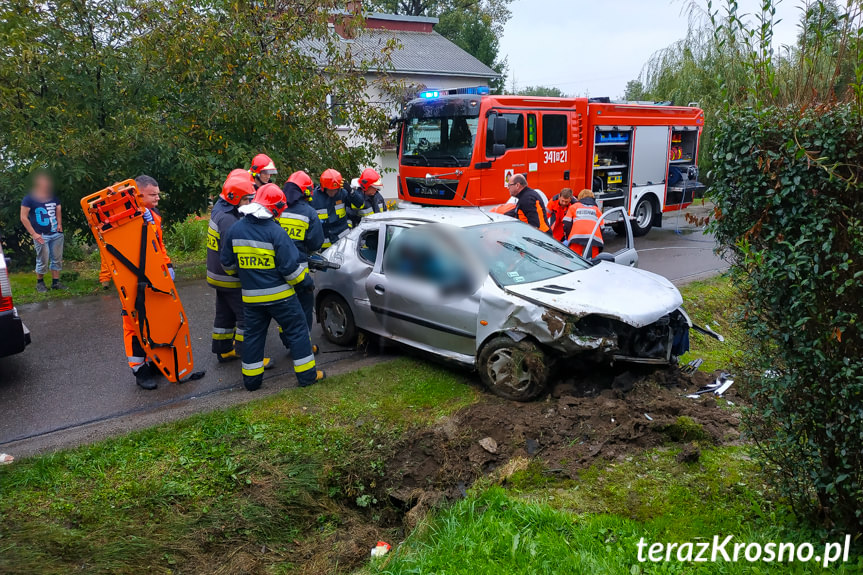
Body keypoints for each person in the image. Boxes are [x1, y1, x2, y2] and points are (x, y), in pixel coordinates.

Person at [220, 183, 326, 391]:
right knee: (297, 331)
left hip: (251, 299)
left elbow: (227, 263)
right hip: (282, 298)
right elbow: (290, 269)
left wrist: (246, 276)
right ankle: (307, 377)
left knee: (253, 337)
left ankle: (252, 382)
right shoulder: (276, 233)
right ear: (275, 208)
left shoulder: (236, 229)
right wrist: (306, 283)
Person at [207, 169, 273, 370]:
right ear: (234, 198)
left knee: (225, 314)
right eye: (246, 199)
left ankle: (223, 349)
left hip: (217, 275)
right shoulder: (228, 220)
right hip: (229, 277)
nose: (249, 203)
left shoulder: (221, 211)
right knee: (246, 316)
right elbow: (233, 250)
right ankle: (250, 356)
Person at [123, 175, 174, 390]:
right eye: (153, 195)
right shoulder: (124, 217)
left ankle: (155, 360)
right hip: (131, 277)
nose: (157, 198)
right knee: (133, 323)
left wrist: (167, 265)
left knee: (155, 319)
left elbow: (157, 245)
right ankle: (139, 369)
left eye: (158, 194)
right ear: (138, 194)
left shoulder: (152, 215)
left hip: (153, 275)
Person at [279, 171, 324, 338]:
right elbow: (315, 243)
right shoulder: (309, 212)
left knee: (284, 307)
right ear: (306, 192)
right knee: (304, 305)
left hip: (277, 269)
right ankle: (302, 342)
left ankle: (286, 337)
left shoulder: (277, 208)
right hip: (299, 269)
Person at [20, 172, 67, 292]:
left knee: (57, 258)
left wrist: (60, 224)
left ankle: (56, 282)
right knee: (43, 259)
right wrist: (33, 234)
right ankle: (40, 283)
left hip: (56, 233)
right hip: (40, 235)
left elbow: (58, 209)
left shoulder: (53, 197)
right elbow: (23, 217)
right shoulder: (29, 199)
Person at [312, 168, 358, 249]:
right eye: (330, 190)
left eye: (335, 190)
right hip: (324, 246)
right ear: (324, 188)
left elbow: (359, 204)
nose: (333, 193)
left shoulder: (343, 193)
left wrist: (351, 192)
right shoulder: (314, 197)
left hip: (343, 241)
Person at [563, 189, 604, 258]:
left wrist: (568, 236)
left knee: (573, 259)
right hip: (594, 238)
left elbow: (566, 224)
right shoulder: (596, 210)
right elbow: (602, 227)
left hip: (576, 236)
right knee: (595, 261)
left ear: (580, 197)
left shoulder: (574, 207)